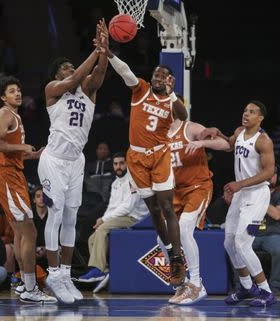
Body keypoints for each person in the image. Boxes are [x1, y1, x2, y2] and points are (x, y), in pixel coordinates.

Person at [98, 20, 188, 286]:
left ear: (169, 80)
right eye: (156, 75)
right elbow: (124, 70)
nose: (158, 78)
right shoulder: (141, 89)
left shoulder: (172, 101)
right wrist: (109, 51)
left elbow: (184, 116)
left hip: (159, 155)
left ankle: (176, 259)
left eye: (163, 76)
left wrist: (173, 95)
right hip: (136, 157)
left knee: (167, 207)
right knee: (153, 210)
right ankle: (170, 250)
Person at [37, 19, 108, 303]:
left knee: (71, 217)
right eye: (66, 66)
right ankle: (53, 274)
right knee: (54, 215)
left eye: (71, 66)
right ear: (58, 74)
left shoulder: (88, 92)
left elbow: (99, 73)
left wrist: (103, 51)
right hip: (53, 160)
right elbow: (74, 78)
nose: (71, 69)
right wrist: (93, 53)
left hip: (76, 162)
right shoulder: (53, 89)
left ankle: (65, 275)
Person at [200, 101, 277, 306]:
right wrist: (218, 135)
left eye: (252, 112)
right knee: (229, 242)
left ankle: (266, 291)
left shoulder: (264, 141)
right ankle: (245, 287)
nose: (246, 114)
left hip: (257, 196)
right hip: (241, 194)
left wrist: (239, 183)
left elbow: (269, 173)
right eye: (245, 110)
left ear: (260, 118)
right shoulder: (239, 131)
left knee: (243, 243)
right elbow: (230, 145)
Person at [0, 76, 56, 303]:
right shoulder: (5, 113)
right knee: (30, 232)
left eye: (18, 90)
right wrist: (22, 146)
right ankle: (30, 288)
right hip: (7, 175)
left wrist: (33, 154)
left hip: (10, 173)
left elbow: (11, 150)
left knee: (20, 233)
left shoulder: (14, 116)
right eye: (11, 91)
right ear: (3, 97)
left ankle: (22, 283)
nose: (17, 93)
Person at [165, 116, 230, 304]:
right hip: (175, 191)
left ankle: (196, 284)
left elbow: (225, 145)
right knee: (162, 238)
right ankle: (183, 284)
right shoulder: (158, 134)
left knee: (185, 228)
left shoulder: (190, 128)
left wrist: (201, 142)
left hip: (197, 187)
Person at [77, 152, 149, 293]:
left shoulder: (133, 179)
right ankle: (104, 272)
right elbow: (112, 207)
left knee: (103, 230)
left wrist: (104, 220)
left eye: (122, 163)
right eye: (116, 164)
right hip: (122, 217)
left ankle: (98, 270)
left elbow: (128, 207)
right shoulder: (116, 183)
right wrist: (101, 219)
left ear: (127, 164)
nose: (118, 166)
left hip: (135, 218)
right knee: (92, 237)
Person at [252, 166, 280, 295]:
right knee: (236, 248)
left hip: (273, 234)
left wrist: (261, 198)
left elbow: (278, 214)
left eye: (272, 174)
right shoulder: (251, 193)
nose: (268, 177)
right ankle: (243, 286)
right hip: (252, 232)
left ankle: (274, 287)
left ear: (278, 178)